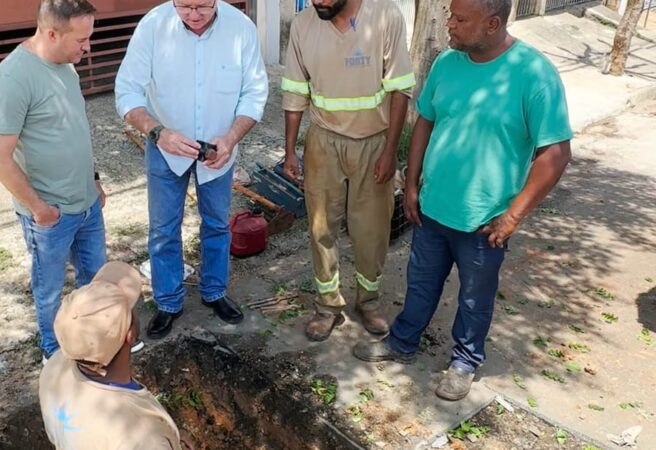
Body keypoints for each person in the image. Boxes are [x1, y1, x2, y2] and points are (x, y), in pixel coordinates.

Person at [353, 0, 573, 401]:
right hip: (433, 208)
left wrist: (512, 217)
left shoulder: (534, 75)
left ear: (491, 24)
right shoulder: (447, 64)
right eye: (450, 15)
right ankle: (402, 343)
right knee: (420, 283)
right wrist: (413, 183)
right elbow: (426, 120)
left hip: (485, 221)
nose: (448, 25)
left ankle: (465, 361)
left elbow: (555, 154)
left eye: (459, 19)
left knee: (475, 297)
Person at [115, 0, 268, 339]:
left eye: (203, 6)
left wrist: (231, 137)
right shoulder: (152, 27)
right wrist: (157, 133)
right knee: (163, 229)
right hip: (165, 147)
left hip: (220, 149)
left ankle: (214, 292)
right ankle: (168, 302)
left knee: (216, 225)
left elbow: (255, 91)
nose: (194, 15)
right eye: (185, 6)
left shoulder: (241, 28)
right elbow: (127, 91)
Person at [282, 0, 415, 341]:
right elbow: (295, 91)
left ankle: (368, 301)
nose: (318, 2)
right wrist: (290, 151)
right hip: (323, 142)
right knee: (320, 227)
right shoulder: (303, 25)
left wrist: (390, 151)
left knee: (371, 229)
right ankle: (327, 305)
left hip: (373, 143)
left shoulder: (385, 17)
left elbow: (400, 88)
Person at [0, 0, 108, 359]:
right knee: (50, 290)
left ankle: (94, 341)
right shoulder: (13, 79)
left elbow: (74, 131)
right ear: (52, 33)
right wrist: (39, 209)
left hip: (86, 203)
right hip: (51, 215)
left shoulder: (66, 64)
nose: (87, 47)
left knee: (95, 279)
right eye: (81, 39)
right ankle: (55, 354)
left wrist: (95, 181)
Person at [40, 261, 189, 449]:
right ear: (130, 335)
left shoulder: (54, 366)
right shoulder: (144, 438)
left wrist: (170, 438)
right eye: (130, 308)